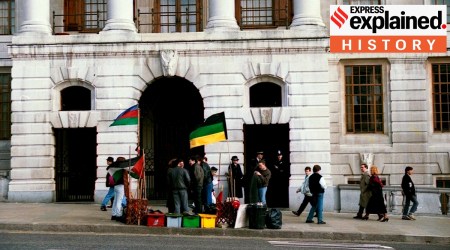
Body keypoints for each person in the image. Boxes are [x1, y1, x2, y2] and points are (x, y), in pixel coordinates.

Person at [110, 156, 126, 222]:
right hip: (121, 186)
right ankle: (118, 215)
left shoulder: (115, 168)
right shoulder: (122, 169)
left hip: (116, 186)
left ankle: (113, 215)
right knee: (119, 201)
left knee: (115, 200)